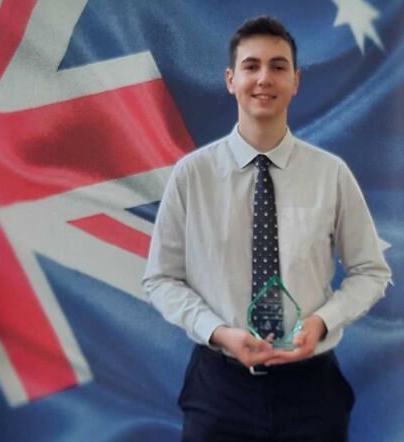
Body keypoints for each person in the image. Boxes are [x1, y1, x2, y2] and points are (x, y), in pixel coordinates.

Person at [143, 16, 391, 442]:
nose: (264, 78)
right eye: (251, 66)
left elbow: (372, 272)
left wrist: (324, 321)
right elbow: (161, 278)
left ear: (295, 81)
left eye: (278, 67)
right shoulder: (192, 175)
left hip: (312, 392)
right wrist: (219, 332)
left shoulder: (331, 174)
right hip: (219, 390)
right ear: (230, 79)